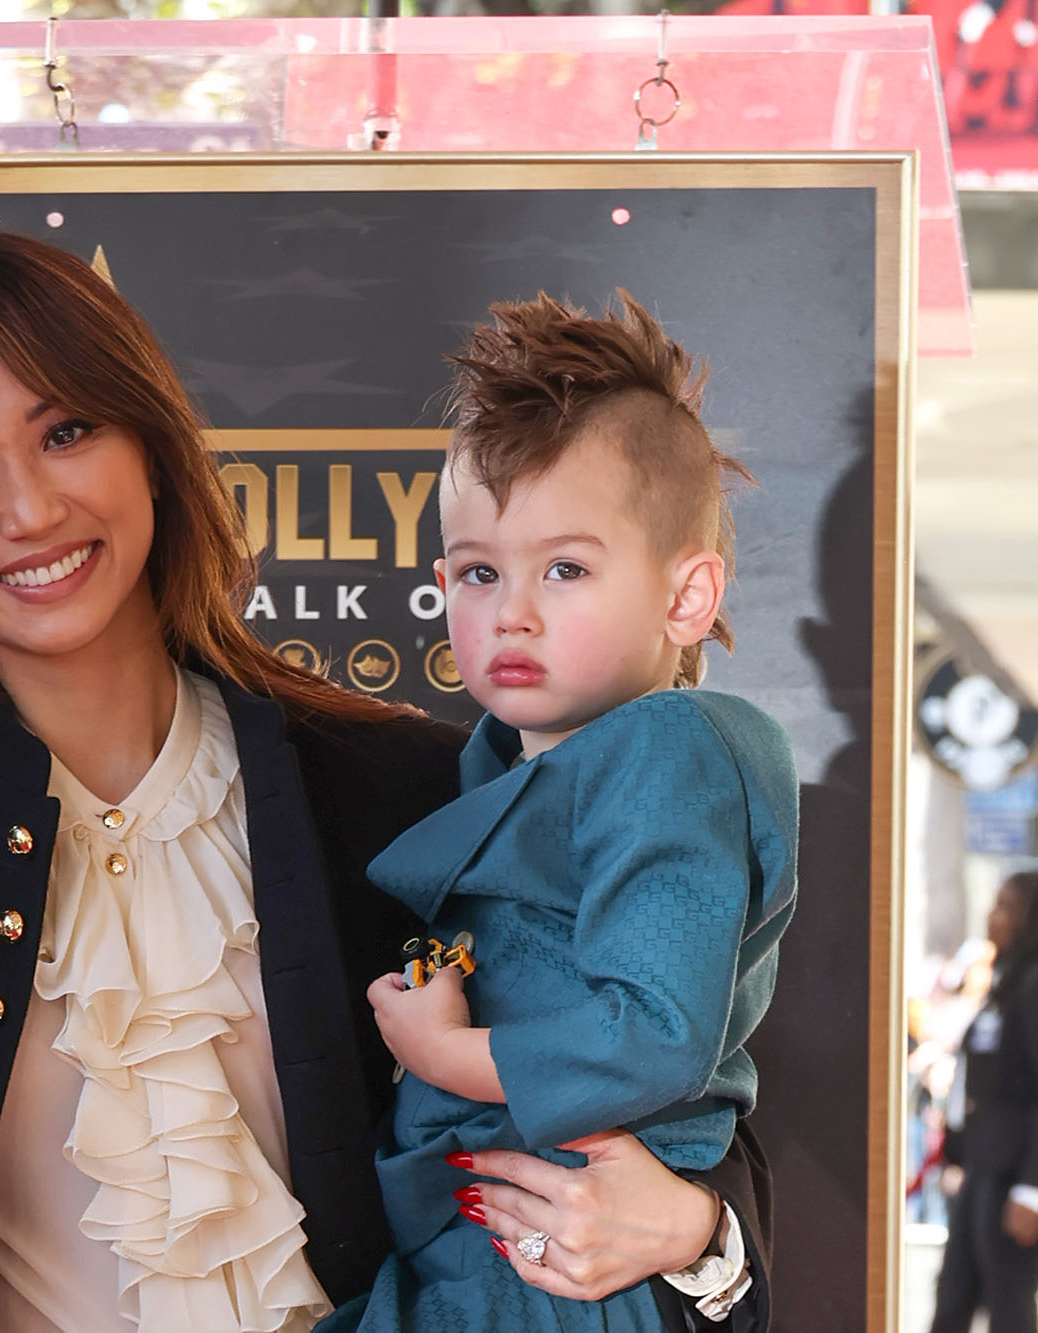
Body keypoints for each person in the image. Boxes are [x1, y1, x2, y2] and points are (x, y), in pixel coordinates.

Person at [0, 231, 774, 1333]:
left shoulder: (398, 793)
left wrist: (699, 1235)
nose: (30, 511)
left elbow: (669, 1074)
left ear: (150, 448)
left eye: (65, 432)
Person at [310, 292, 798, 1333]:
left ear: (685, 595)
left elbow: (657, 1033)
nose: (512, 613)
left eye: (565, 568)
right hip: (483, 1230)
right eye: (479, 573)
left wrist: (446, 1054)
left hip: (568, 1257)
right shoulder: (491, 758)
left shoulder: (673, 749)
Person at [930, 869, 1038, 1333]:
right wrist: (957, 1151)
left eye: (1006, 907)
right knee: (952, 1295)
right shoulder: (1005, 982)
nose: (993, 917)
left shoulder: (1032, 985)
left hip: (1012, 1178)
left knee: (1008, 1307)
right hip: (982, 1168)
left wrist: (1031, 1191)